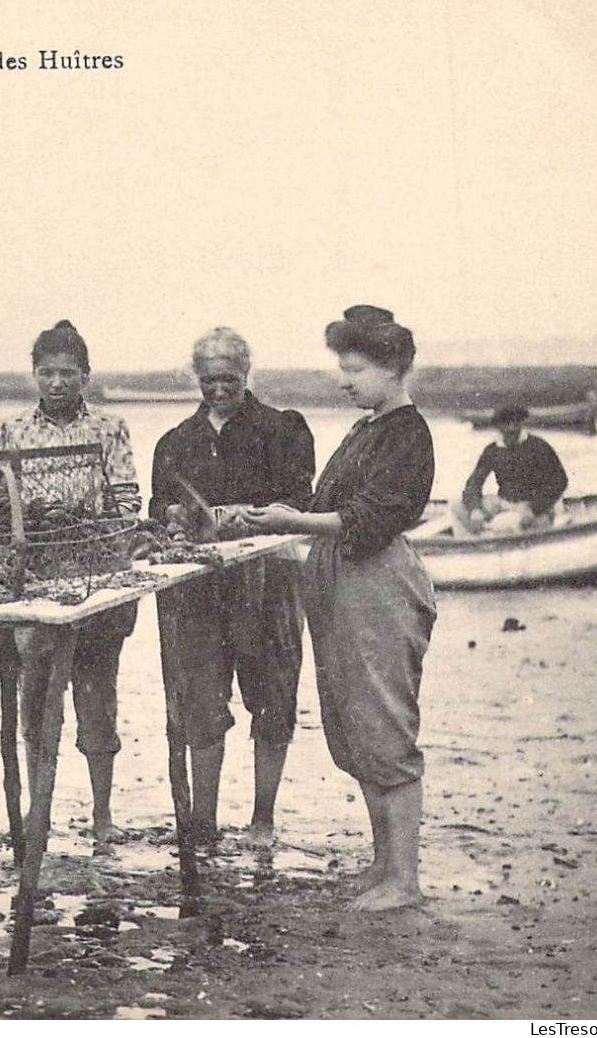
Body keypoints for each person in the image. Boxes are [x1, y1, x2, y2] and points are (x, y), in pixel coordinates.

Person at [246, 305, 437, 911]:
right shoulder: (369, 427)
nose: (344, 380)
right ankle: (383, 865)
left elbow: (373, 518)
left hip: (378, 584)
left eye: (354, 369)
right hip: (343, 580)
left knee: (385, 724)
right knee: (355, 729)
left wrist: (293, 521)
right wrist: (279, 526)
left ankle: (403, 880)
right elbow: (330, 505)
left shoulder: (407, 433)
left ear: (393, 368)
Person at [150, 327, 314, 847]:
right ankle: (204, 821)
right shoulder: (175, 441)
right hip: (198, 586)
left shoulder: (283, 429)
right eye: (209, 380)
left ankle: (263, 819)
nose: (218, 389)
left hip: (270, 580)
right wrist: (174, 517)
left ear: (247, 374)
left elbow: (300, 500)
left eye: (229, 379)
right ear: (196, 378)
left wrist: (247, 517)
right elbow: (157, 509)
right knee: (201, 700)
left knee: (272, 698)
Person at [0, 320, 142, 848]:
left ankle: (102, 816)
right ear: (34, 375)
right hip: (35, 582)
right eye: (47, 373)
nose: (57, 383)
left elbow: (127, 500)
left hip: (96, 580)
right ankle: (40, 814)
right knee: (35, 704)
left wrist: (96, 530)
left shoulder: (109, 427)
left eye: (68, 374)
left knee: (98, 699)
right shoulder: (11, 431)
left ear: (85, 376)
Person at [452, 405, 568, 535]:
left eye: (516, 422)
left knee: (505, 524)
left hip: (533, 507)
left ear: (521, 423)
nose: (511, 428)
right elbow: (474, 482)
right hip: (504, 504)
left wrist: (535, 508)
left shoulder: (538, 446)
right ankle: (470, 543)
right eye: (506, 423)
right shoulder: (492, 450)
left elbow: (560, 481)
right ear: (498, 426)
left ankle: (492, 537)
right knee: (456, 506)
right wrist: (475, 509)